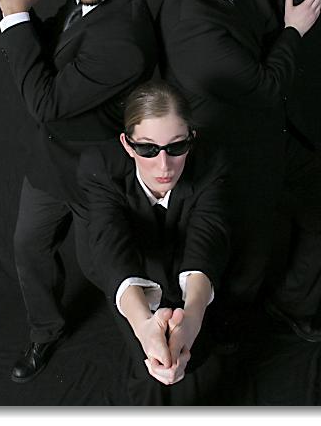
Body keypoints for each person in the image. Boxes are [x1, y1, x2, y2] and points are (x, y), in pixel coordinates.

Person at [157, 0, 321, 343]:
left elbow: (283, 15)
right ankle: (228, 345)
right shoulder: (188, 20)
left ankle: (293, 304)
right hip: (231, 152)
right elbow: (265, 85)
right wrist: (293, 32)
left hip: (270, 134)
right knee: (246, 264)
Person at [0, 0, 157, 382]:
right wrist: (23, 11)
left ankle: (157, 358)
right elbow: (58, 53)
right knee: (29, 248)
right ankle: (46, 332)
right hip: (51, 160)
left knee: (107, 270)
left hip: (95, 173)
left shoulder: (126, 33)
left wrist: (14, 18)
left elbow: (46, 102)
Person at [77, 80, 230, 404]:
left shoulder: (212, 163)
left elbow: (207, 239)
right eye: (147, 149)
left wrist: (192, 319)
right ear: (127, 144)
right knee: (150, 369)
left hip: (186, 270)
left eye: (176, 147)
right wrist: (143, 326)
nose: (164, 166)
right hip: (131, 276)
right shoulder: (100, 167)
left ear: (191, 139)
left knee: (194, 365)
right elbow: (110, 246)